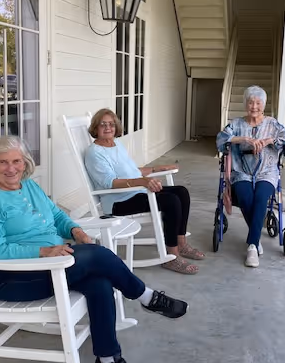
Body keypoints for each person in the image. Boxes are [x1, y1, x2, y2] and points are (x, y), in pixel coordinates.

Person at [0, 135, 189, 363]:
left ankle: (107, 360)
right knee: (97, 255)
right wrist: (42, 252)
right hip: (12, 277)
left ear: (24, 162)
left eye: (16, 161)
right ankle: (147, 297)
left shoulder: (29, 186)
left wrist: (76, 231)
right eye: (3, 162)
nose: (11, 168)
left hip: (53, 264)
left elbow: (56, 215)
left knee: (99, 281)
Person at [84, 109, 205, 275]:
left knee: (181, 192)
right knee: (170, 201)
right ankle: (172, 255)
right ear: (95, 128)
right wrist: (143, 182)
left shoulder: (116, 143)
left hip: (136, 191)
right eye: (102, 124)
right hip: (118, 201)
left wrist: (157, 168)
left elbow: (131, 170)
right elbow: (110, 183)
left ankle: (181, 243)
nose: (108, 128)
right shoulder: (94, 153)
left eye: (111, 124)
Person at [216, 86, 285, 268]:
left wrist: (270, 140)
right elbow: (221, 139)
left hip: (267, 172)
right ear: (246, 104)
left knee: (261, 198)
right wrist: (243, 139)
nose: (254, 106)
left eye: (258, 103)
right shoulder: (237, 124)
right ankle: (255, 238)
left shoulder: (272, 124)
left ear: (263, 104)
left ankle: (252, 245)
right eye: (251, 102)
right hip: (241, 171)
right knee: (245, 197)